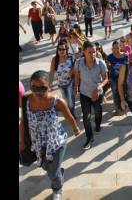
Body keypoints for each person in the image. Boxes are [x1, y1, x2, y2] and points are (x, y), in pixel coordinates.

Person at [19, 70, 80, 200]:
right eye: (34, 87)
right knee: (46, 166)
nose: (38, 91)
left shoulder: (57, 102)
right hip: (38, 143)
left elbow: (69, 116)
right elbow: (23, 122)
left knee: (52, 173)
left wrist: (75, 128)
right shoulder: (26, 101)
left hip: (56, 141)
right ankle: (59, 172)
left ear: (50, 87)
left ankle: (57, 189)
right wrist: (22, 142)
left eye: (42, 88)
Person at [74, 41, 109, 150]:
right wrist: (75, 88)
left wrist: (99, 87)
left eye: (94, 52)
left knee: (98, 113)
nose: (93, 54)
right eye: (90, 52)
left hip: (97, 93)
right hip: (84, 93)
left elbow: (106, 79)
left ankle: (98, 124)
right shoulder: (78, 63)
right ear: (83, 52)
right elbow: (77, 76)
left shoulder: (101, 63)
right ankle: (89, 138)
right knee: (86, 117)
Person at [49, 42, 76, 119]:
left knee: (71, 102)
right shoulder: (55, 59)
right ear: (57, 50)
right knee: (66, 101)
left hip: (70, 83)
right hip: (60, 84)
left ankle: (71, 114)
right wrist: (49, 84)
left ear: (66, 49)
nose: (61, 51)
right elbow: (51, 72)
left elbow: (75, 66)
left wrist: (72, 71)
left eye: (63, 49)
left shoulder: (71, 57)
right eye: (59, 49)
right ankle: (70, 114)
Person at [106, 41, 129, 115]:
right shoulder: (109, 57)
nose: (116, 49)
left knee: (124, 92)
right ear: (112, 48)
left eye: (117, 47)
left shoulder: (125, 56)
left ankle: (124, 107)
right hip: (114, 78)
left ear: (120, 47)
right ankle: (117, 109)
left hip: (124, 79)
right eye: (114, 48)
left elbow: (128, 67)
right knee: (115, 93)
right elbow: (107, 68)